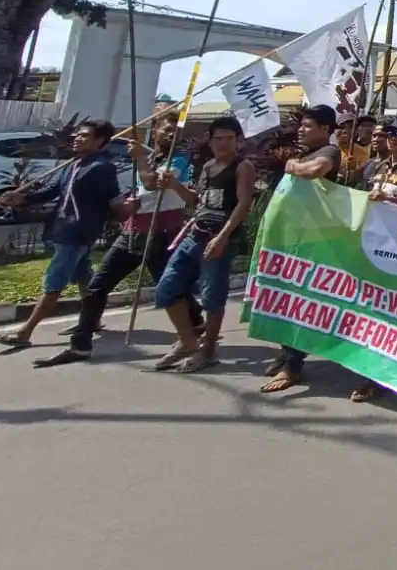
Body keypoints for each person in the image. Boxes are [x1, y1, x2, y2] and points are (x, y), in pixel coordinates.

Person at [31, 115, 204, 366]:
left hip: (160, 233)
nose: (170, 135)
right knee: (96, 288)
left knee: (170, 289)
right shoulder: (151, 156)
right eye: (165, 130)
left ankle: (194, 326)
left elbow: (151, 183)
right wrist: (130, 201)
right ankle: (80, 345)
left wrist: (141, 159)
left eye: (175, 131)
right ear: (154, 131)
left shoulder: (179, 159)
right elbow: (143, 190)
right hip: (133, 231)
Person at [0, 119, 137, 350]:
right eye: (77, 135)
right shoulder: (73, 165)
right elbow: (51, 191)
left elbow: (115, 203)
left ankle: (25, 332)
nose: (77, 139)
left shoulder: (101, 168)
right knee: (84, 279)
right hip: (63, 230)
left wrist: (128, 208)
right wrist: (21, 198)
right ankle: (93, 320)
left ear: (100, 141)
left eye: (84, 136)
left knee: (54, 283)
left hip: (78, 234)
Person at [148, 117, 259, 372]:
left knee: (212, 297)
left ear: (238, 141)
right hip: (194, 234)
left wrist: (223, 237)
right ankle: (188, 341)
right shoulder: (207, 166)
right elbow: (197, 201)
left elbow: (243, 204)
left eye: (229, 138)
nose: (223, 143)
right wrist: (174, 185)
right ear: (210, 141)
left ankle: (208, 349)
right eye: (218, 138)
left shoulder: (243, 167)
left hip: (219, 237)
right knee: (166, 289)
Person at [261, 105, 344, 393]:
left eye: (308, 125)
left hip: (313, 241)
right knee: (284, 297)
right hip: (291, 238)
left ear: (326, 130)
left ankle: (293, 365)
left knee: (300, 303)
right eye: (302, 125)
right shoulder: (303, 153)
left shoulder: (329, 153)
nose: (301, 129)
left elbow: (315, 171)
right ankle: (286, 351)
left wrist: (294, 167)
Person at [340, 115, 377, 185]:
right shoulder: (348, 146)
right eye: (363, 125)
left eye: (370, 125)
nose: (367, 128)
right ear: (357, 129)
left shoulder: (375, 151)